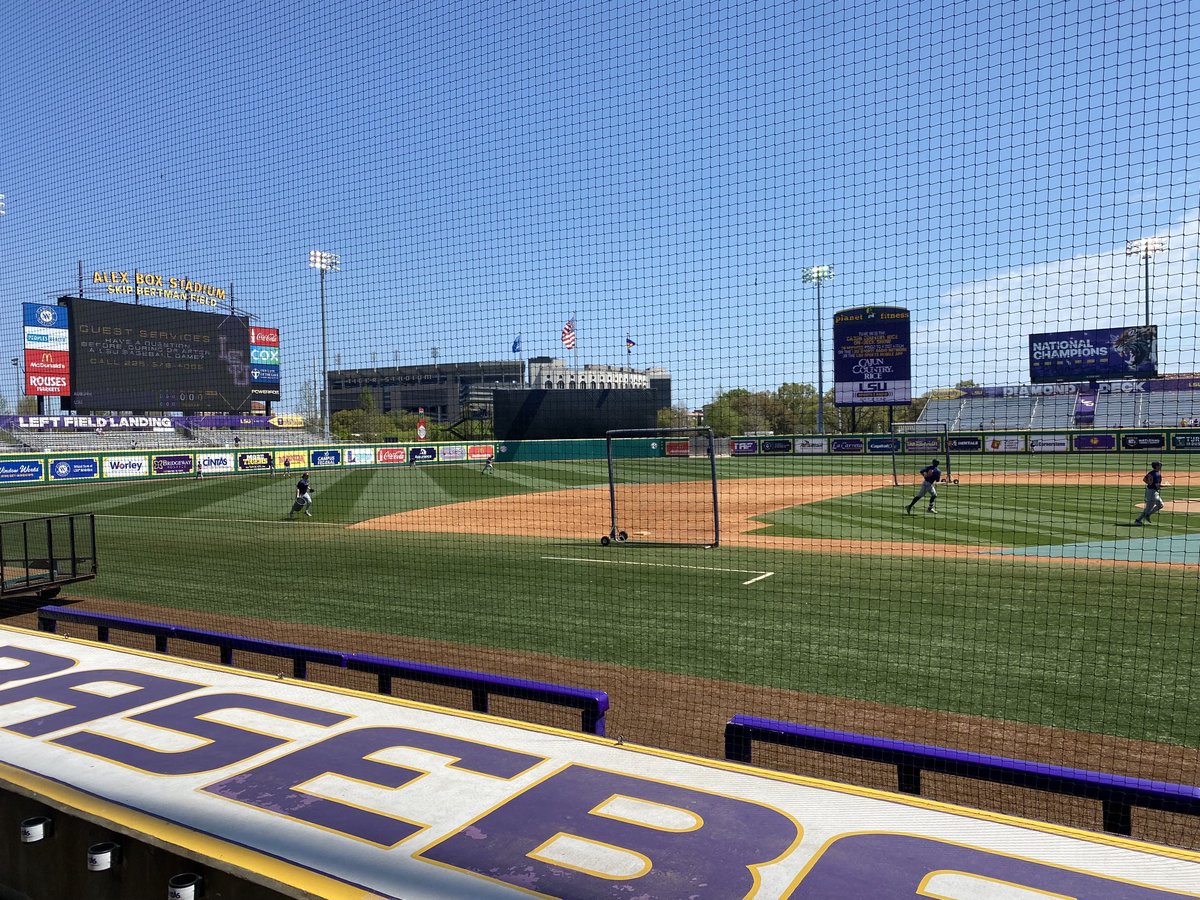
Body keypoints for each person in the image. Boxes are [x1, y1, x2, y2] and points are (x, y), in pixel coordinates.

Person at [1134, 461, 1164, 526]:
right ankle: (1146, 515)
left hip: (1150, 491)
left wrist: (1150, 484)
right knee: (1160, 505)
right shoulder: (1157, 474)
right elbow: (1157, 485)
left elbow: (1144, 479)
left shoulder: (1151, 473)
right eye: (1159, 465)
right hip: (1152, 492)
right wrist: (1165, 485)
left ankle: (1138, 520)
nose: (1161, 466)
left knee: (1149, 508)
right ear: (1156, 466)